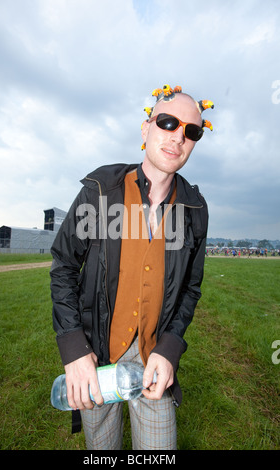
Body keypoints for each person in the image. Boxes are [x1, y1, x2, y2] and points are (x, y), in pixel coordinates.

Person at [50, 84, 213, 450]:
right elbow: (63, 265)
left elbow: (190, 288)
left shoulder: (195, 209)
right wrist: (75, 348)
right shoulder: (101, 190)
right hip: (97, 355)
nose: (178, 138)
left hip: (154, 359)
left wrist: (170, 347)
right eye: (168, 122)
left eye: (192, 131)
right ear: (146, 128)